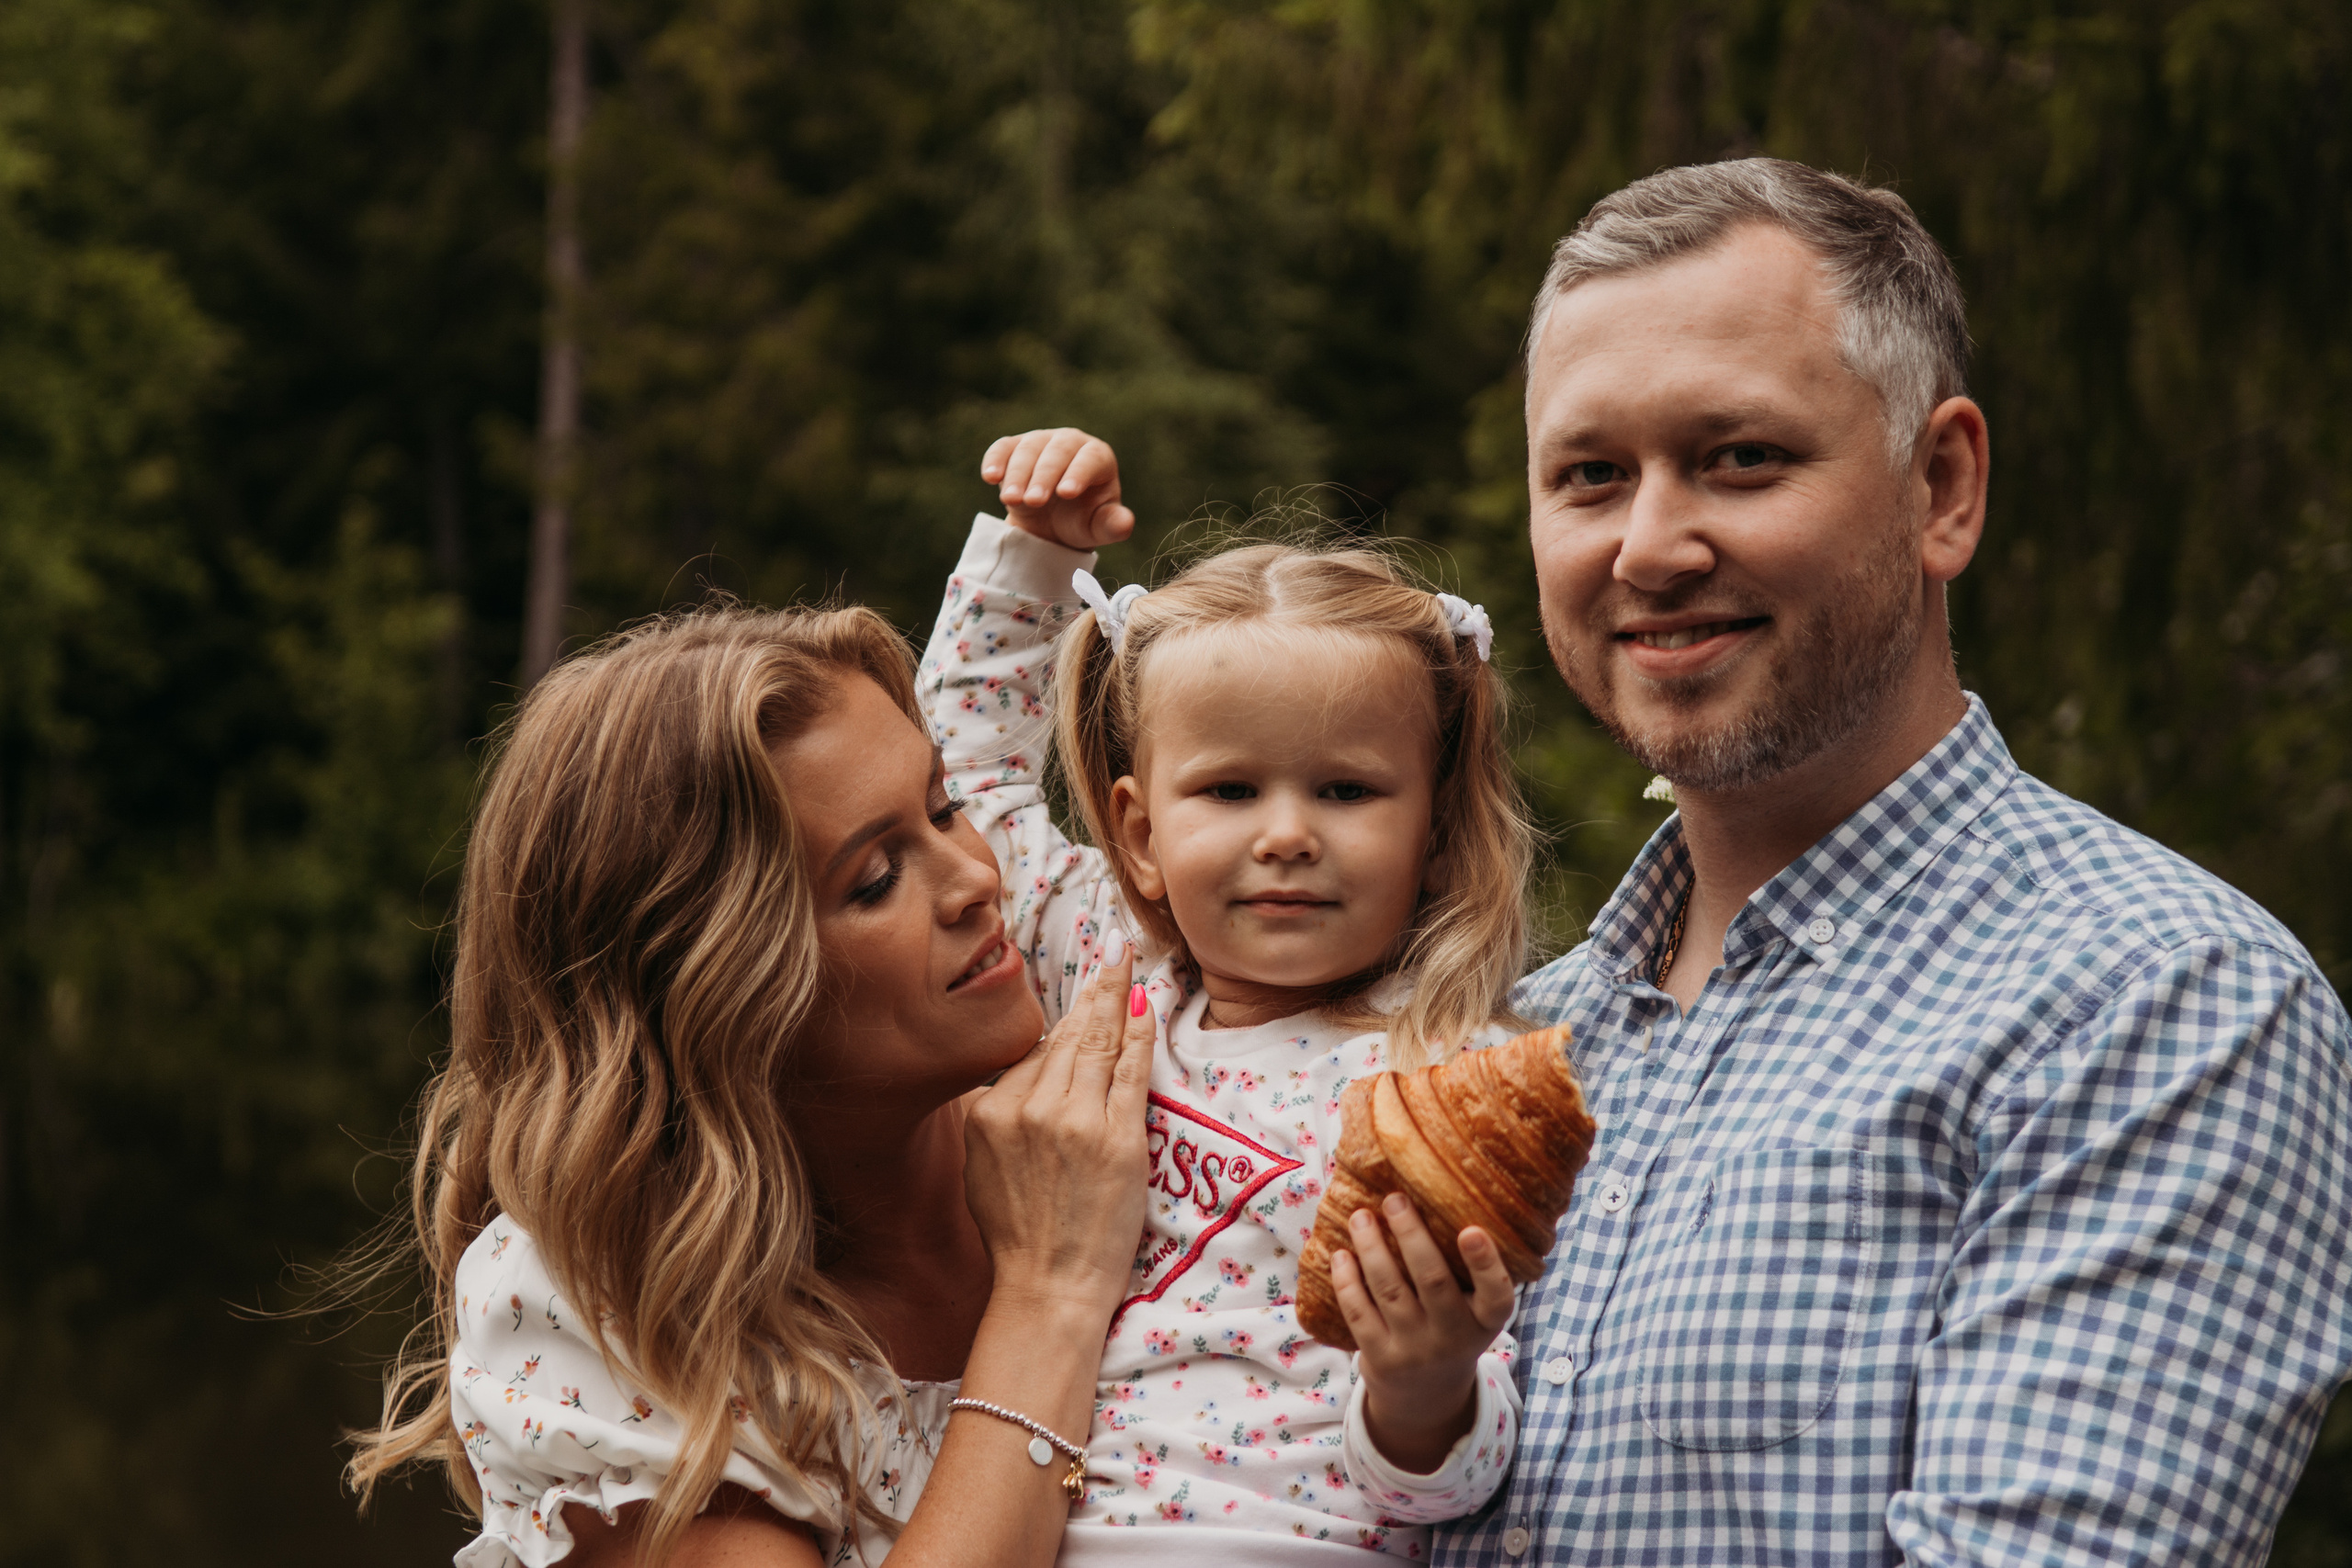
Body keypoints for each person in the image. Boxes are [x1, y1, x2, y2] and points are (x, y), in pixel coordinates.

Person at [1430, 157, 2352, 1566]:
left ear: (1943, 486)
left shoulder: (2163, 1002)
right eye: (1591, 476)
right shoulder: (1500, 1050)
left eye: (1741, 456)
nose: (1652, 546)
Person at [347, 604, 1159, 1567]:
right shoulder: (611, 1329)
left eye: (943, 808)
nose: (976, 880)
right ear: (716, 994)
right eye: (872, 881)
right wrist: (1049, 1299)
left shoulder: (1118, 1117)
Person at [920, 428, 1536, 1563]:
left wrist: (1427, 1385)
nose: (1288, 835)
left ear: (1436, 832)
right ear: (1142, 837)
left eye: (1348, 789)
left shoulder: (1450, 1078)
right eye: (1231, 789)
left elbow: (1461, 1482)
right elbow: (964, 783)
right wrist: (1033, 559)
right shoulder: (1102, 976)